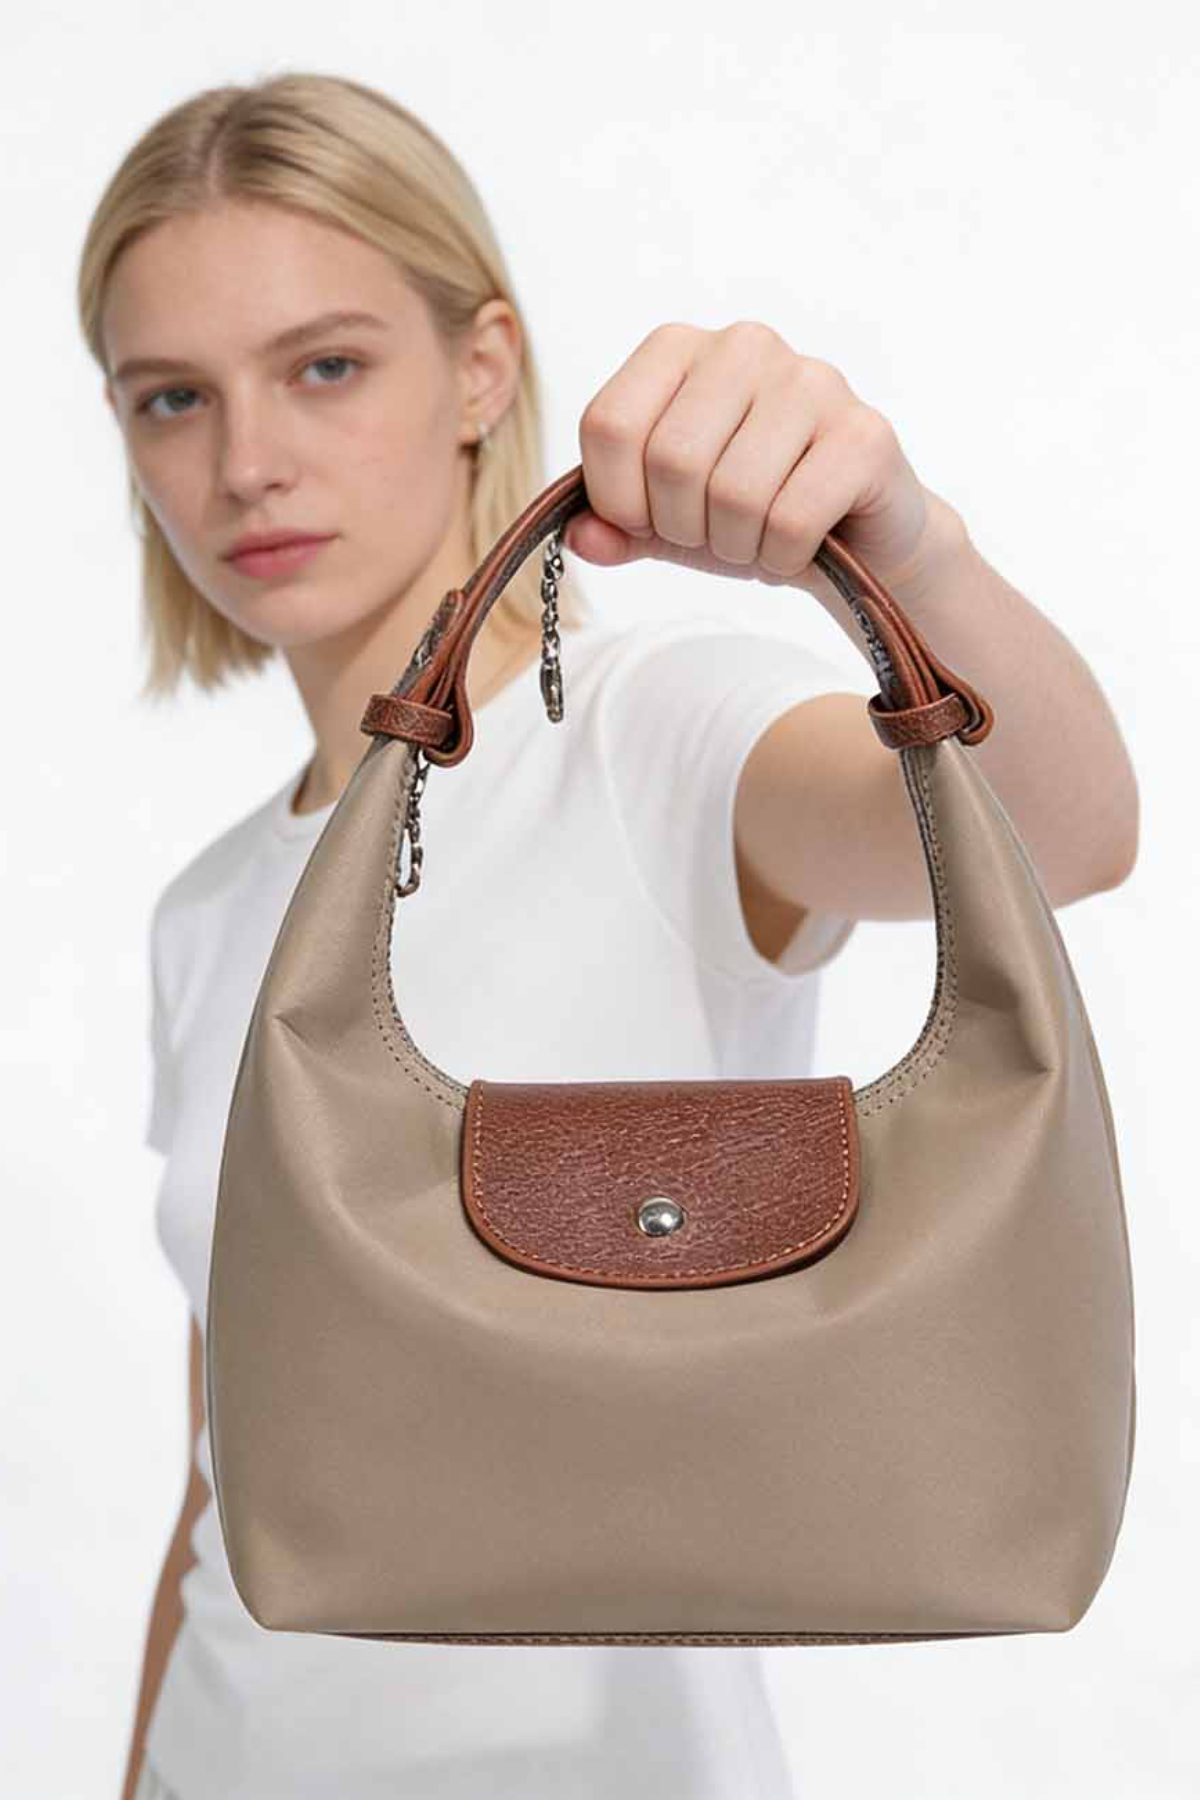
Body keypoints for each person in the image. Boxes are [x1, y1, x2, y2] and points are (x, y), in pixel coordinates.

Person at [79, 70, 1138, 1800]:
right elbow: (225, 1477)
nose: (244, 458)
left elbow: (1070, 836)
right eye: (169, 396)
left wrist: (905, 553)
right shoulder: (212, 910)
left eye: (324, 364)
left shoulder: (664, 729)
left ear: (482, 367)